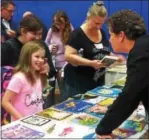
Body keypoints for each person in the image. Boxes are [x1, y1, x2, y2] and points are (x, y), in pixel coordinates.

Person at [95, 9, 148, 139]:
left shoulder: (141, 54)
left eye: (110, 34)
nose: (109, 39)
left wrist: (103, 129)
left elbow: (130, 96)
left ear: (121, 35)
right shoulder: (143, 45)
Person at [63, 1, 124, 101]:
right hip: (78, 82)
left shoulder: (102, 32)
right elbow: (68, 56)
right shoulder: (77, 34)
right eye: (96, 23)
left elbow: (104, 52)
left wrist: (116, 58)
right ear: (88, 18)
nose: (99, 26)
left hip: (97, 80)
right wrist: (90, 63)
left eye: (101, 23)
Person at [2, 40, 48, 121]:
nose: (41, 60)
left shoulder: (38, 75)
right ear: (27, 57)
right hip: (22, 126)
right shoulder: (19, 78)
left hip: (37, 121)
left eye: (42, 57)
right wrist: (22, 119)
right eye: (37, 56)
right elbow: (5, 102)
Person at [45, 10, 73, 106]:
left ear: (66, 22)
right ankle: (47, 112)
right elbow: (45, 44)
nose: (59, 26)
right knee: (49, 92)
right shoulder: (51, 30)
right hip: (52, 65)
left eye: (61, 24)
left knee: (64, 92)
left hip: (64, 65)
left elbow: (73, 50)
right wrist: (49, 47)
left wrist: (64, 68)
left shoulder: (70, 30)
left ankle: (64, 110)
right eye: (56, 24)